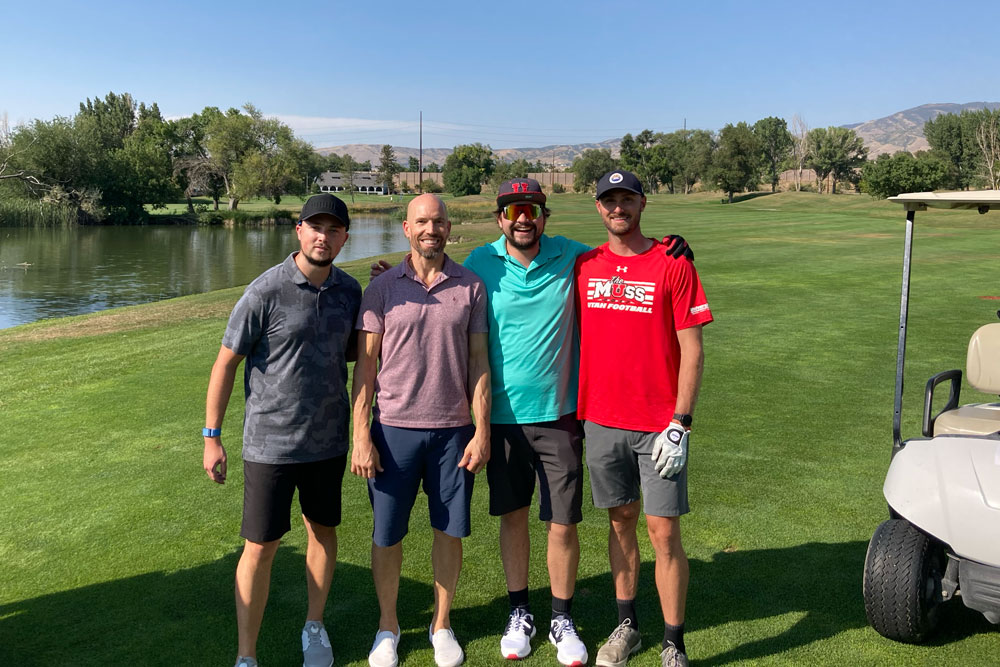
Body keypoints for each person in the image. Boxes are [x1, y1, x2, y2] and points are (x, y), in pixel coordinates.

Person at [369, 180, 691, 665]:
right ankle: (520, 610)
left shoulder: (574, 258)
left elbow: (623, 251)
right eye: (514, 210)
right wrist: (391, 272)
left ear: (544, 216)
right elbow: (434, 275)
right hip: (499, 419)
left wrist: (672, 244)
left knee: (562, 521)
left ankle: (561, 615)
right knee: (513, 516)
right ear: (501, 218)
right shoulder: (478, 264)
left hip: (560, 414)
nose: (523, 218)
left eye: (533, 210)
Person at [202, 193, 362, 667]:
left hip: (328, 442)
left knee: (323, 532)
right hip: (270, 445)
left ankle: (314, 626)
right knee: (261, 547)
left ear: (344, 238)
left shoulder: (349, 291)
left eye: (333, 230)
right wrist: (211, 437)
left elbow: (352, 352)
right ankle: (246, 655)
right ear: (298, 231)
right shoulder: (265, 290)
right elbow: (225, 364)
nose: (323, 236)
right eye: (315, 227)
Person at [575, 170, 712, 667]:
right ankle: (627, 625)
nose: (618, 208)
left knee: (664, 532)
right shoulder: (584, 265)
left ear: (642, 203)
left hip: (660, 425)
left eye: (626, 199)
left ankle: (674, 643)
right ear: (598, 208)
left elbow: (692, 350)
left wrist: (682, 422)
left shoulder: (672, 263)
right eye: (609, 201)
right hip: (601, 419)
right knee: (620, 523)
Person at [351, 193, 491, 667]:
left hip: (453, 432)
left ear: (449, 227)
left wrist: (482, 430)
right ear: (406, 229)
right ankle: (387, 626)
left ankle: (442, 624)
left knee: (447, 532)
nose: (431, 229)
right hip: (392, 432)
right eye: (421, 222)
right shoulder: (383, 287)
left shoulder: (470, 286)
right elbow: (365, 369)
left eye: (439, 221)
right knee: (387, 534)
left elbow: (478, 363)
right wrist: (361, 435)